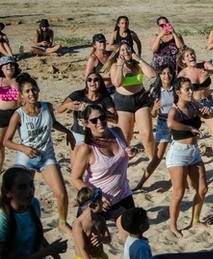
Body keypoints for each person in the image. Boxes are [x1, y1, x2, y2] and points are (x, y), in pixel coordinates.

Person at [3, 73, 74, 231]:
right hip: (26, 157)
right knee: (19, 196)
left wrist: (67, 132)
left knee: (61, 193)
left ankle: (63, 223)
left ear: (38, 90)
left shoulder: (47, 107)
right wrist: (23, 148)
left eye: (34, 89)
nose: (32, 93)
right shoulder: (18, 115)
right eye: (27, 91)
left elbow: (53, 123)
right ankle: (14, 223)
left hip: (46, 155)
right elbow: (6, 141)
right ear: (22, 94)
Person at [0, 167, 67, 259]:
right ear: (8, 192)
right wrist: (47, 251)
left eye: (31, 184)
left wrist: (56, 258)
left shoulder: (33, 204)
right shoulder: (3, 220)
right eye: (21, 187)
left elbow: (37, 234)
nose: (29, 190)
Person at [69, 104, 138, 232]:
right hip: (96, 203)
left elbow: (122, 157)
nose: (99, 122)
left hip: (123, 195)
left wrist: (133, 151)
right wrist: (96, 195)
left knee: (132, 236)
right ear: (86, 124)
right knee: (90, 242)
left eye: (102, 118)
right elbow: (75, 178)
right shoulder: (87, 149)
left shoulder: (117, 132)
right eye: (94, 120)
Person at [166, 76, 210, 238]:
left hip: (193, 151)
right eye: (187, 89)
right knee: (179, 193)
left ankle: (195, 220)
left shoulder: (193, 105)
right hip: (178, 154)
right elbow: (170, 123)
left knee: (202, 189)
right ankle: (173, 226)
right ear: (178, 92)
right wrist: (190, 128)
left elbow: (205, 116)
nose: (191, 92)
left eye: (191, 88)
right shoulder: (175, 110)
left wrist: (206, 113)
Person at [108, 42, 156, 156]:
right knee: (125, 136)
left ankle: (152, 160)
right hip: (123, 102)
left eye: (128, 49)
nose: (126, 52)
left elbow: (153, 74)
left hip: (140, 99)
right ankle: (125, 160)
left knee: (147, 134)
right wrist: (120, 65)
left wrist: (139, 60)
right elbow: (117, 83)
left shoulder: (137, 64)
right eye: (123, 50)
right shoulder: (115, 66)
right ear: (118, 53)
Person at [177, 47, 213, 165]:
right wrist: (195, 106)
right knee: (191, 134)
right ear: (183, 61)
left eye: (192, 54)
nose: (191, 56)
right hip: (193, 104)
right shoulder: (183, 74)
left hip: (208, 102)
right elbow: (180, 94)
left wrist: (209, 71)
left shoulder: (205, 65)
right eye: (187, 56)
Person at [135, 65, 175, 190]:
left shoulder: (177, 88)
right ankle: (140, 183)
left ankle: (189, 185)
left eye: (169, 73)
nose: (167, 76)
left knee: (181, 155)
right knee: (157, 157)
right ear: (159, 75)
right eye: (164, 73)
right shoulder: (155, 90)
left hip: (176, 122)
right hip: (163, 123)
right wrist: (154, 108)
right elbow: (153, 115)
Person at [57, 72, 118, 149]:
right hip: (78, 134)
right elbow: (59, 110)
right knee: (77, 156)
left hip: (97, 135)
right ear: (86, 82)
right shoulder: (78, 95)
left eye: (96, 80)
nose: (92, 82)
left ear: (101, 82)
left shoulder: (105, 99)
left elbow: (115, 119)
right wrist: (67, 105)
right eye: (89, 80)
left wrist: (101, 113)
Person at [72, 187, 113, 259]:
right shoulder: (78, 224)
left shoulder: (100, 219)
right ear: (92, 205)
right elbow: (82, 249)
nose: (103, 203)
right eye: (100, 201)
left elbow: (108, 238)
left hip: (100, 258)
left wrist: (102, 239)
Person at [0, 56, 22, 171]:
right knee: (0, 143)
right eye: (6, 65)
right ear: (1, 68)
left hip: (18, 113)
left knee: (25, 139)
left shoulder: (19, 79)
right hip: (2, 114)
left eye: (12, 64)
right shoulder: (0, 80)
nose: (9, 66)